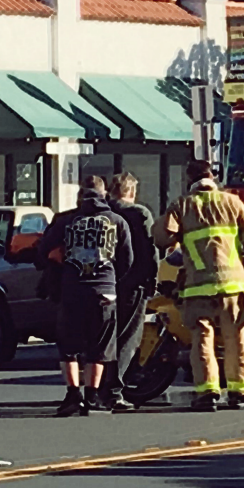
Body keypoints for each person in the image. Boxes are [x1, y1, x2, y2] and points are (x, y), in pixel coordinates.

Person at [153, 160, 244, 412]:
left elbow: (161, 237)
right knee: (237, 338)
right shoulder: (233, 202)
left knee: (202, 339)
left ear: (188, 179)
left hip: (197, 288)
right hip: (234, 286)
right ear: (213, 176)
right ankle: (241, 392)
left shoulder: (182, 205)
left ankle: (207, 393)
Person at [38, 175, 133, 417]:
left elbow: (43, 252)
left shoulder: (65, 221)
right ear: (105, 195)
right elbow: (127, 260)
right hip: (105, 290)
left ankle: (72, 395)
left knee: (69, 347)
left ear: (80, 196)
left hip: (73, 288)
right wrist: (111, 279)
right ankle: (92, 397)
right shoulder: (117, 221)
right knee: (99, 345)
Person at [106, 172, 158, 411]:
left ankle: (94, 389)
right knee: (128, 338)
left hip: (102, 284)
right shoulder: (139, 214)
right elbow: (151, 249)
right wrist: (153, 281)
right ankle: (114, 390)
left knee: (103, 338)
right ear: (131, 191)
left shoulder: (101, 214)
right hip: (132, 284)